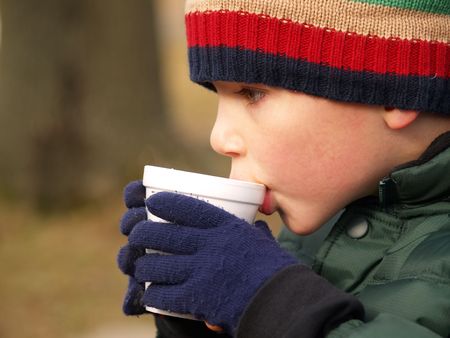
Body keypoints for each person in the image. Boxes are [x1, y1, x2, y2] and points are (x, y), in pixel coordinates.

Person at [117, 0, 450, 337]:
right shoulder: (321, 230)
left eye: (252, 92)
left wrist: (269, 304)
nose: (219, 138)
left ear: (392, 86)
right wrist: (199, 316)